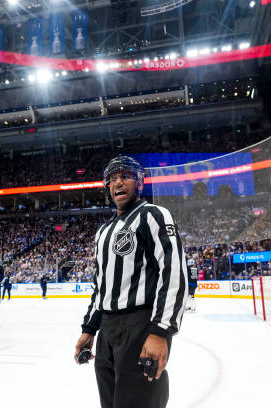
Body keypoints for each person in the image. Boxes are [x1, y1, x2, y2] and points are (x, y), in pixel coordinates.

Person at [74, 155, 188, 408]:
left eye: (125, 176)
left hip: (141, 325)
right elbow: (100, 287)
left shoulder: (153, 215)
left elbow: (175, 271)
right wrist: (89, 329)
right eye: (112, 179)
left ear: (139, 183)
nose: (118, 183)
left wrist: (161, 331)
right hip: (108, 331)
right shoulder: (103, 231)